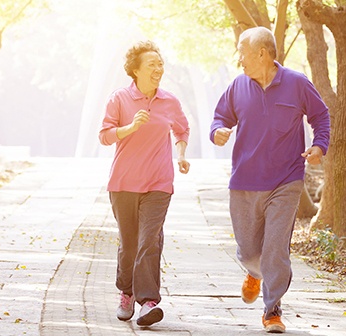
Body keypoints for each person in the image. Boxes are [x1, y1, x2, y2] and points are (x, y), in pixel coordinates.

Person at [210, 27, 330, 333]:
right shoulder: (238, 86)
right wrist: (218, 132)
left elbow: (320, 116)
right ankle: (254, 271)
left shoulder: (297, 84)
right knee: (249, 250)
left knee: (275, 247)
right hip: (244, 181)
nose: (239, 60)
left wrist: (319, 146)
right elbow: (220, 118)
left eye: (242, 52)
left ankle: (272, 309)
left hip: (286, 180)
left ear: (262, 53)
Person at [99, 40, 190, 327]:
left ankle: (148, 302)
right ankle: (126, 293)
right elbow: (105, 135)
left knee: (149, 241)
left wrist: (182, 155)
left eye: (160, 64)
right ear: (135, 70)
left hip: (159, 183)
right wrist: (130, 127)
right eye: (152, 64)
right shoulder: (119, 99)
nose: (158, 69)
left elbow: (182, 129)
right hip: (124, 183)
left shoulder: (169, 101)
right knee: (129, 244)